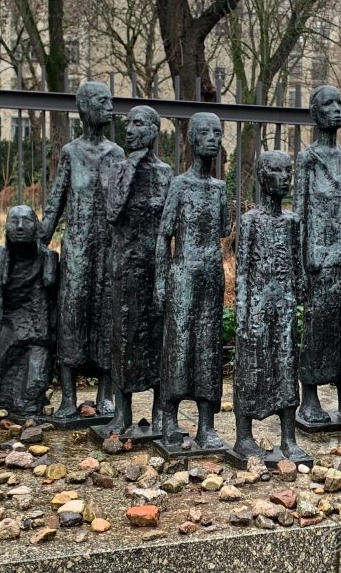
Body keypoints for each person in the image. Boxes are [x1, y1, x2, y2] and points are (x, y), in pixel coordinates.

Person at [40, 81, 121, 419]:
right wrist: (38, 240)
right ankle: (68, 397)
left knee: (106, 316)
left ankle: (105, 395)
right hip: (75, 248)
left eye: (111, 102)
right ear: (86, 107)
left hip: (107, 248)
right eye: (103, 102)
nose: (110, 108)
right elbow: (57, 199)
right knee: (72, 318)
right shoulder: (71, 152)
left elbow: (122, 204)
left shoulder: (116, 153)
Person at [156, 112, 229, 450]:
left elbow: (224, 231)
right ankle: (169, 418)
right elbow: (164, 236)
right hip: (183, 274)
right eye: (205, 132)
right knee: (180, 346)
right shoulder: (179, 185)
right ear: (192, 140)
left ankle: (206, 423)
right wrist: (161, 281)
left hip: (211, 274)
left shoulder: (219, 189)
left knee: (208, 348)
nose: (213, 138)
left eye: (218, 132)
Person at [233, 150, 309, 463]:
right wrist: (242, 309)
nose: (286, 178)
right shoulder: (250, 221)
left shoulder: (292, 221)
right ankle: (244, 435)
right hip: (256, 307)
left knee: (286, 365)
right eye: (278, 172)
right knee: (251, 367)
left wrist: (301, 289)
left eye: (288, 172)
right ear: (264, 178)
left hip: (285, 305)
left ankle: (288, 437)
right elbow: (242, 269)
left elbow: (298, 263)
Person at [295, 85, 341, 427]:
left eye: (339, 103)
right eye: (328, 104)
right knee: (318, 330)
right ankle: (310, 398)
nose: (336, 109)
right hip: (320, 263)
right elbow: (302, 213)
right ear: (315, 113)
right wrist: (303, 263)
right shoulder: (308, 159)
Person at [104, 105, 171, 436]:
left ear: (154, 130)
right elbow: (113, 212)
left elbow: (170, 226)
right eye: (127, 123)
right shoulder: (119, 168)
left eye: (138, 123)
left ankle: (160, 411)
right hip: (126, 266)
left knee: (158, 337)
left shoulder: (165, 173)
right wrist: (130, 168)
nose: (129, 129)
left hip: (156, 266)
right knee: (124, 338)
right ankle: (122, 411)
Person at [0, 205, 57, 417]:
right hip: (11, 325)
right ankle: (0, 401)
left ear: (37, 227)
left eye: (27, 221)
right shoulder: (3, 256)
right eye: (14, 221)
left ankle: (21, 398)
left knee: (29, 404)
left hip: (37, 334)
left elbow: (52, 306)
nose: (20, 227)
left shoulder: (48, 258)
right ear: (6, 228)